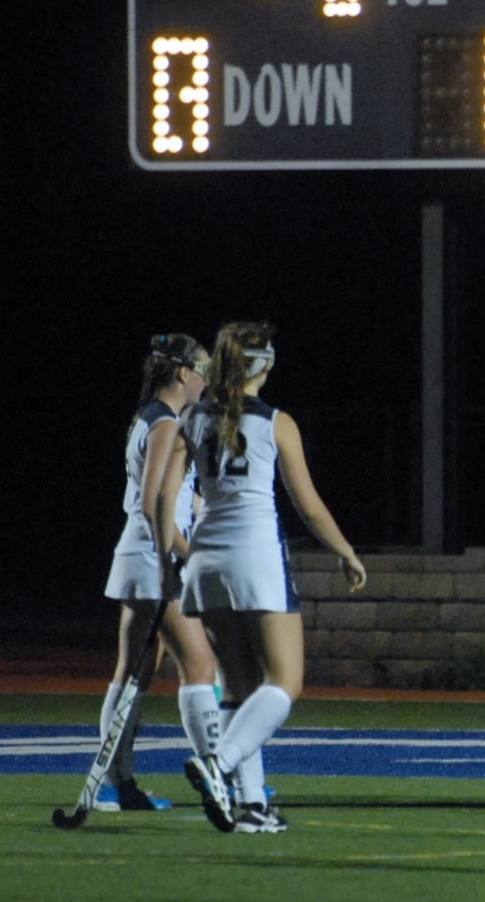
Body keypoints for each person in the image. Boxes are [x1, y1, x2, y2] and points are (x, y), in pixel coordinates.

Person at [157, 322, 367, 833]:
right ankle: (219, 764)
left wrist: (171, 556)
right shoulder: (276, 422)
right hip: (256, 558)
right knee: (285, 681)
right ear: (265, 367)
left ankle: (252, 806)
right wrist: (346, 552)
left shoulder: (194, 418)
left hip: (206, 560)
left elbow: (166, 500)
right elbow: (308, 505)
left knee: (240, 687)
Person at [99, 333, 222, 811]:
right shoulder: (166, 424)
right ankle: (217, 769)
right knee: (200, 664)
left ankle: (120, 784)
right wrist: (187, 555)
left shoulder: (149, 418)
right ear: (182, 374)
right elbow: (154, 503)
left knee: (133, 674)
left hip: (140, 553)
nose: (208, 380)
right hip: (155, 557)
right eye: (203, 370)